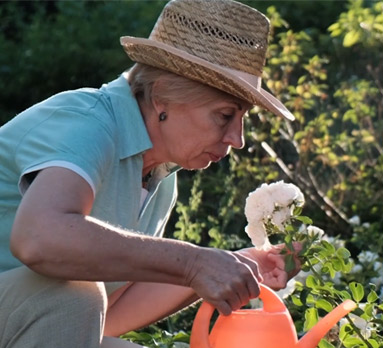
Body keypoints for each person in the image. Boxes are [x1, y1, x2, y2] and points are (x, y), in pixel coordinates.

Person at [0, 0, 300, 347]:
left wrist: (234, 265)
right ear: (161, 97)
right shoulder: (87, 123)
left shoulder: (161, 176)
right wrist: (191, 262)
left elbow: (104, 317)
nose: (238, 138)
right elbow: (40, 237)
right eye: (225, 115)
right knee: (74, 295)